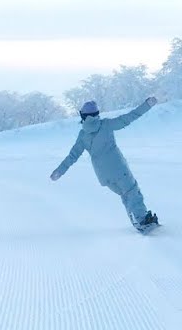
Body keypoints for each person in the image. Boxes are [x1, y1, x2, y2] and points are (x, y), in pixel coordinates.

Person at [50, 97, 159, 231]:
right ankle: (143, 221)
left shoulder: (83, 135)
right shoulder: (106, 125)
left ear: (83, 116)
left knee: (125, 195)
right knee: (133, 192)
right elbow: (129, 118)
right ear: (97, 114)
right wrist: (147, 105)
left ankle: (137, 220)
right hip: (118, 169)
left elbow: (72, 156)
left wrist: (59, 171)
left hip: (103, 176)